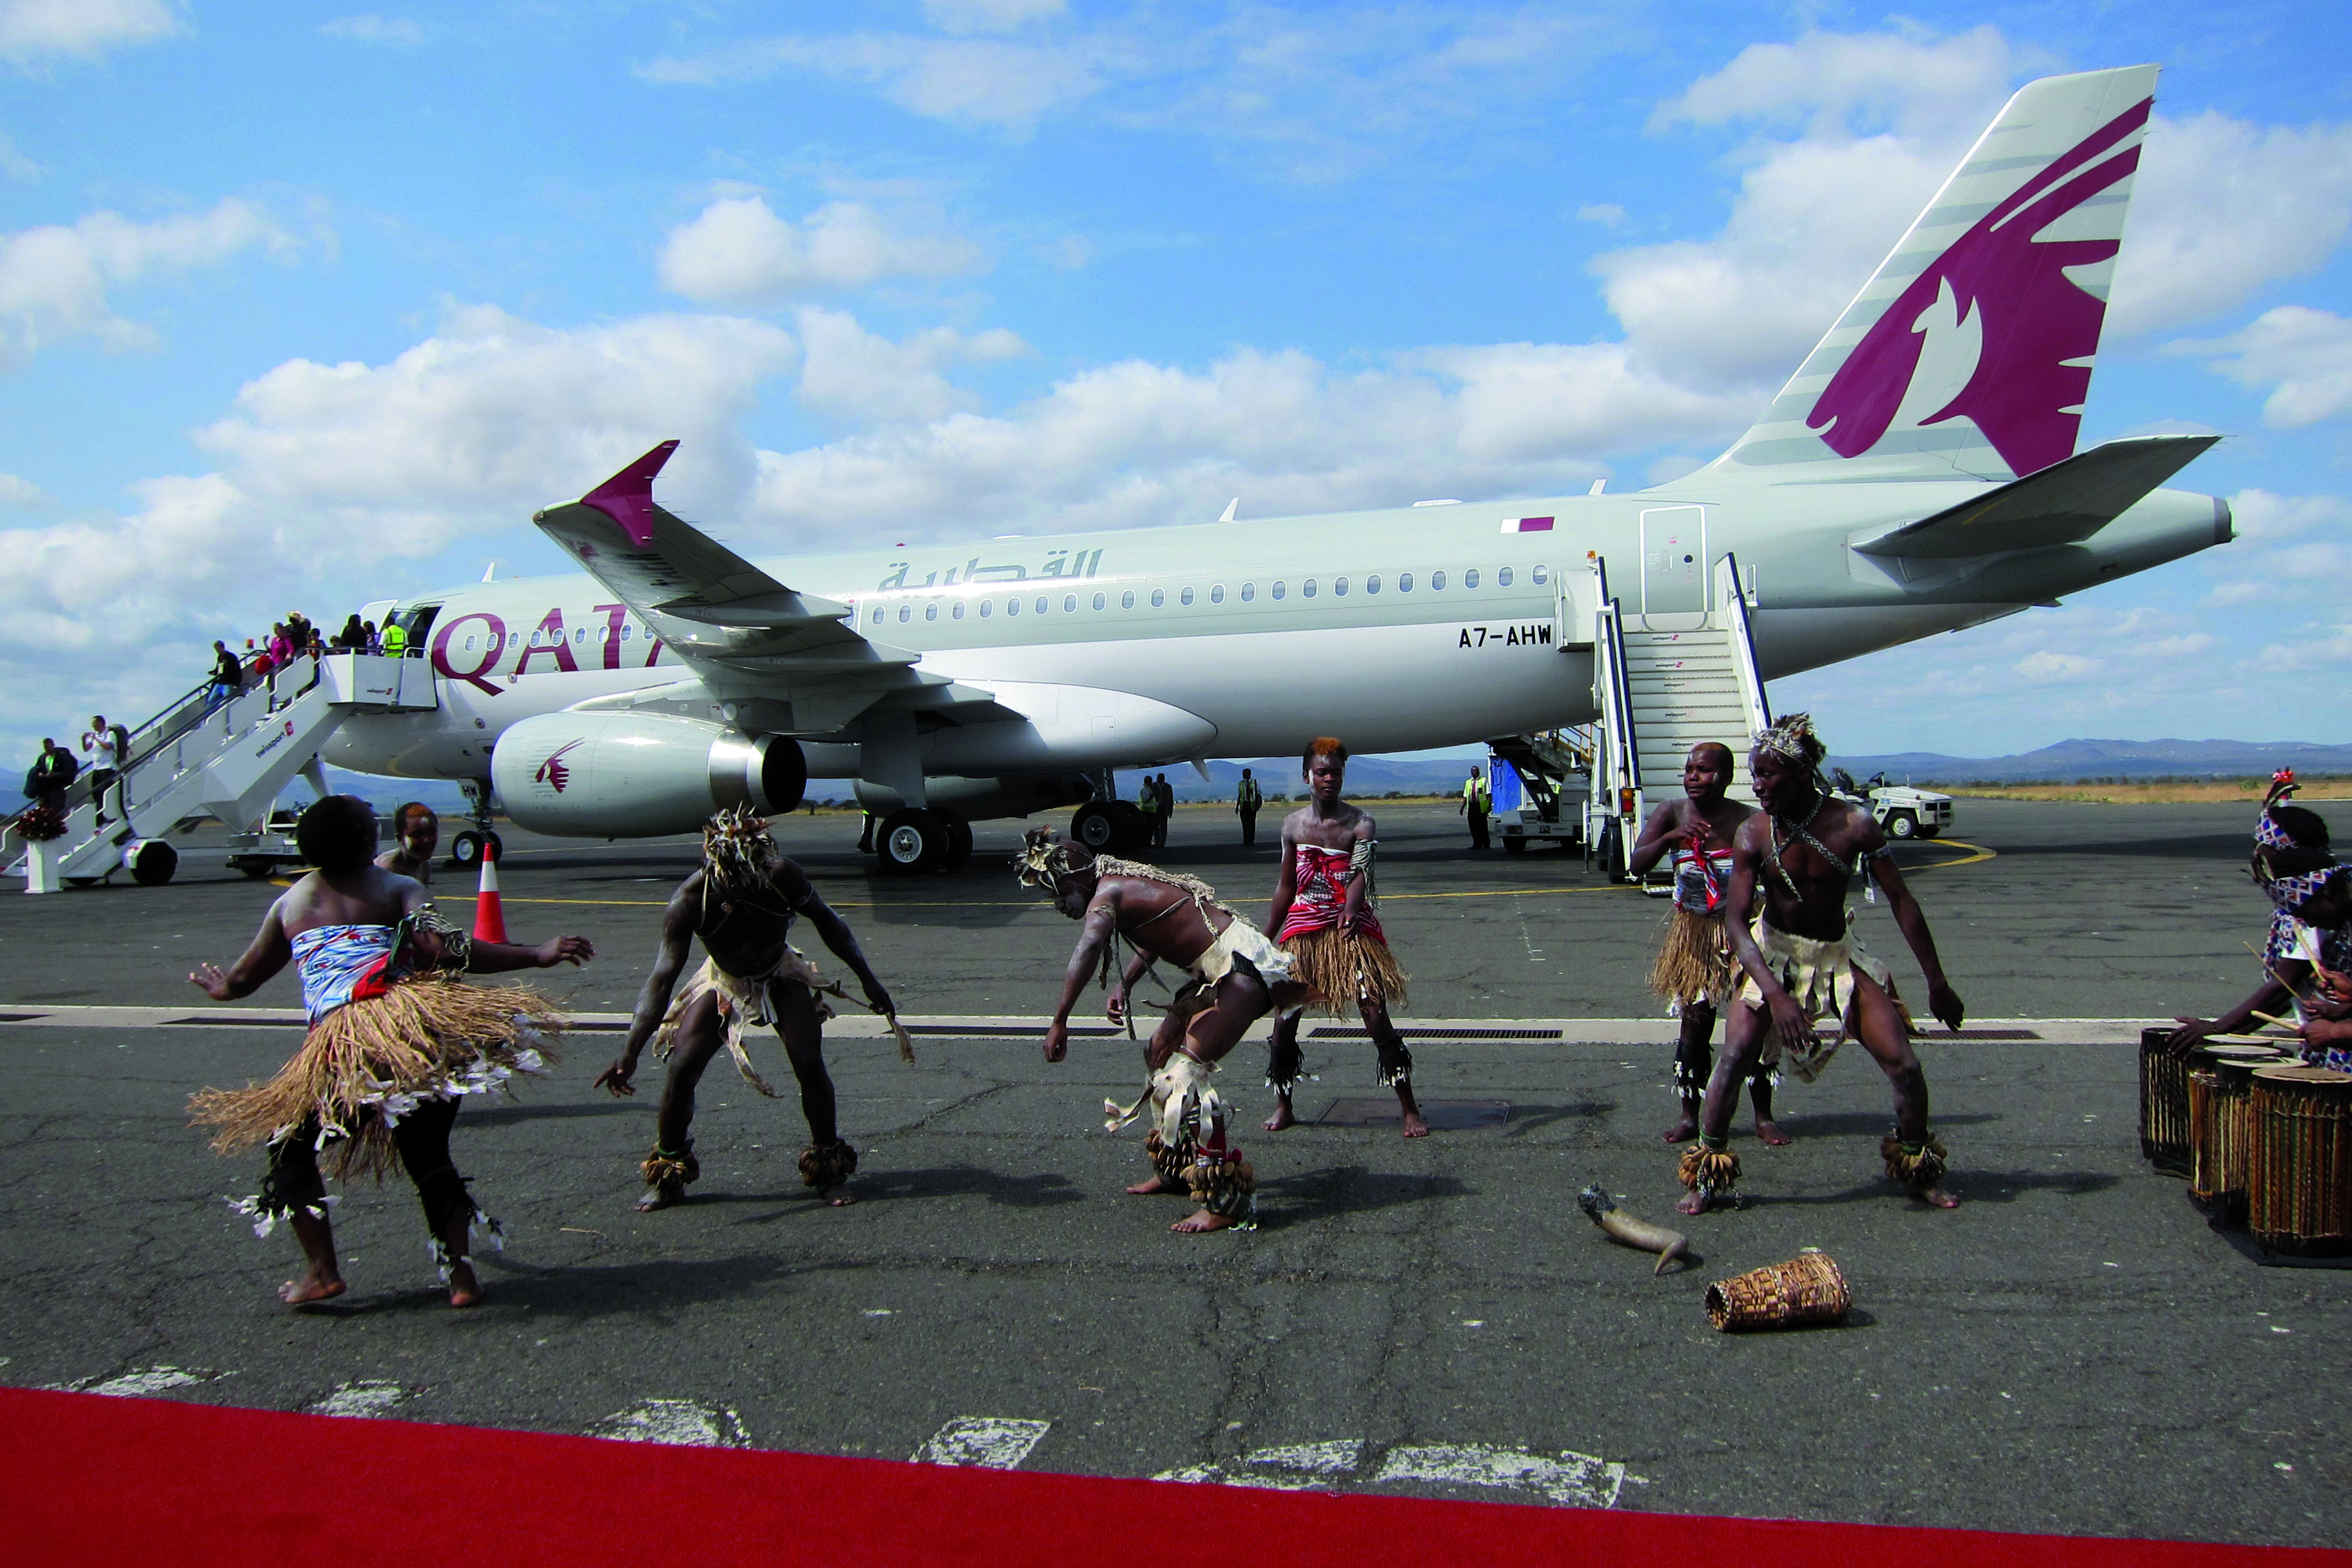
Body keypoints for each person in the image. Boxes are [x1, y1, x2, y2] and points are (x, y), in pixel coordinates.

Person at [186, 795, 593, 1308]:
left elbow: (244, 979)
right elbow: (441, 950)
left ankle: (321, 1272)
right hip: (415, 1036)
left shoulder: (290, 904)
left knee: (288, 1145)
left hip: (345, 1049)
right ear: (366, 841)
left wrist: (221, 988)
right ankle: (461, 1279)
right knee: (428, 1155)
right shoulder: (400, 887)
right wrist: (534, 953)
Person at [1675, 714, 1965, 1216]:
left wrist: (1937, 982)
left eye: (1768, 775)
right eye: (1755, 774)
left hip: (1837, 957)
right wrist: (1776, 995)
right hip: (1773, 954)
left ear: (1803, 773)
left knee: (1905, 1066)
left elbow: (1902, 902)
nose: (1757, 785)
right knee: (1736, 1055)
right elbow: (1738, 923)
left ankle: (1918, 1167)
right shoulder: (1754, 833)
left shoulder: (1854, 825)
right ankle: (1707, 1174)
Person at [595, 807, 898, 1210]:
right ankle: (669, 1172)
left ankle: (829, 1167)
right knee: (682, 1067)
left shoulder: (782, 876)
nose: (742, 893)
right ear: (714, 871)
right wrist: (630, 1050)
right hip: (724, 980)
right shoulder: (690, 900)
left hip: (779, 971)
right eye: (733, 887)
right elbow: (662, 979)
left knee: (808, 1060)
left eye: (751, 882)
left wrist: (868, 979)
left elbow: (830, 923)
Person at [1021, 828, 1304, 1233]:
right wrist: (1125, 984)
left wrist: (1059, 1020)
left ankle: (1224, 1201)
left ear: (1080, 874)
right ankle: (1175, 1170)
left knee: (1187, 1074)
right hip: (1214, 972)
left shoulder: (1107, 894)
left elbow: (1089, 946)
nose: (1059, 904)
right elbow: (1157, 934)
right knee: (1157, 1051)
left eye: (1060, 891)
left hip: (1242, 971)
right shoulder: (1121, 885)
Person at [1261, 737, 1427, 1137]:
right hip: (1303, 930)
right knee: (1284, 1020)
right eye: (1322, 772)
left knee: (1374, 1012)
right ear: (1307, 776)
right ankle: (1284, 1106)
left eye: (1336, 772)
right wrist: (1266, 937)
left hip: (1349, 930)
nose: (1329, 779)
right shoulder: (1293, 826)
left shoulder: (1361, 823)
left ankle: (1409, 1109)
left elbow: (1361, 873)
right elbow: (1286, 886)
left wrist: (1351, 908)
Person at [1629, 742, 1780, 1145]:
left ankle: (1763, 1116)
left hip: (1744, 931)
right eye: (1689, 769)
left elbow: (1775, 878)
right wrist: (1671, 838)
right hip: (1694, 934)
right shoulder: (1672, 812)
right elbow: (1636, 864)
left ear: (1726, 777)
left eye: (1703, 770)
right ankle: (1689, 1117)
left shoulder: (1750, 820)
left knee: (1754, 1026)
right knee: (1694, 1027)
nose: (1693, 777)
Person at [2171, 772, 2352, 1069]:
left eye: (2263, 848)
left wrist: (2218, 1029)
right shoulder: (2325, 900)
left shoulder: (2324, 907)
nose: (2257, 855)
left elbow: (2282, 987)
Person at [80, 714, 130, 828]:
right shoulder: (96, 735)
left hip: (108, 767)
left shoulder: (109, 734)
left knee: (103, 792)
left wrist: (96, 739)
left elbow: (108, 746)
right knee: (96, 793)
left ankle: (105, 816)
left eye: (94, 724)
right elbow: (87, 748)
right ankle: (100, 817)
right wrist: (84, 740)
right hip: (97, 767)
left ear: (101, 723)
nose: (93, 726)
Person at [377, 802, 439, 885]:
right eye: (417, 835)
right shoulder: (385, 871)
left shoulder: (424, 866)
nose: (427, 840)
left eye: (432, 833)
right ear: (400, 838)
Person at [27, 738, 76, 811]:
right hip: (44, 789)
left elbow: (70, 772)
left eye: (49, 747)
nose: (47, 750)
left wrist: (56, 775)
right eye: (46, 748)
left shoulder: (62, 757)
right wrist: (40, 774)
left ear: (53, 745)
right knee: (44, 810)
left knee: (56, 809)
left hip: (57, 788)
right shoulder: (42, 758)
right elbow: (38, 769)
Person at [1459, 765, 1491, 850]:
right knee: (1473, 826)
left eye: (1476, 770)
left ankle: (1486, 844)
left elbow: (1488, 794)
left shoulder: (1484, 781)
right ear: (1471, 772)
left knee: (1483, 827)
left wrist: (1489, 805)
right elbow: (1466, 796)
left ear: (1479, 772)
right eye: (1473, 771)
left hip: (1481, 807)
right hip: (1471, 806)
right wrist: (1462, 807)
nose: (1475, 772)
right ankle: (1477, 844)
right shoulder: (1468, 782)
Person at [1235, 767, 1264, 847]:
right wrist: (1237, 807)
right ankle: (1246, 840)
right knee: (1245, 824)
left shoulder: (1255, 782)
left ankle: (1251, 840)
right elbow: (1240, 795)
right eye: (1243, 774)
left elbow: (1259, 795)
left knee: (1251, 823)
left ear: (1249, 774)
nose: (1243, 775)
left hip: (1252, 806)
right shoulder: (1241, 783)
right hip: (1244, 805)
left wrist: (1258, 806)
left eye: (1245, 774)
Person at [210, 640, 243, 704]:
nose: (217, 652)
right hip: (220, 682)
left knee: (227, 701)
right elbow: (219, 668)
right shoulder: (220, 658)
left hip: (229, 683)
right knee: (211, 700)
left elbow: (238, 671)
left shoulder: (231, 657)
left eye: (218, 650)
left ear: (222, 648)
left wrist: (237, 684)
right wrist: (214, 672)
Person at [1137, 774, 1162, 848]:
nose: (1151, 783)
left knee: (1151, 828)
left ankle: (1148, 843)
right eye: (1150, 781)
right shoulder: (1145, 789)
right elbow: (1147, 799)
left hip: (1150, 811)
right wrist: (1153, 794)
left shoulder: (1148, 788)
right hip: (1147, 811)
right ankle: (1146, 843)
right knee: (1148, 828)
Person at [1155, 774, 1175, 848]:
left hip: (1164, 809)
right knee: (1155, 826)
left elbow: (1171, 800)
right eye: (1159, 778)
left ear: (1164, 779)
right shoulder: (1153, 786)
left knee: (1163, 827)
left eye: (1161, 778)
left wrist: (1170, 811)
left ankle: (1162, 842)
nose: (1160, 779)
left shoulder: (1168, 787)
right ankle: (1156, 840)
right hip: (1155, 808)